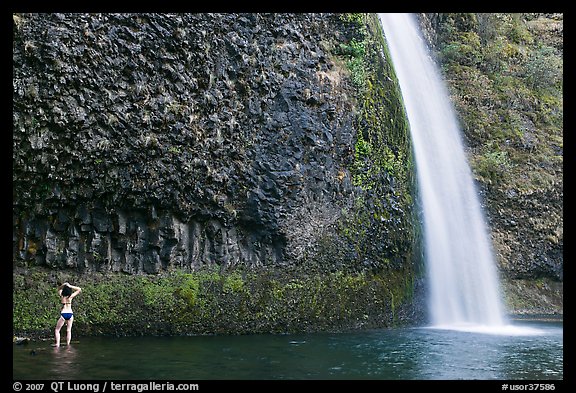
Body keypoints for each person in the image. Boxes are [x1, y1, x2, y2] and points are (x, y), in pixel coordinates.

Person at [54, 282, 82, 347]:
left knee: (57, 330)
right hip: (70, 314)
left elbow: (59, 289)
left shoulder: (62, 296)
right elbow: (79, 289)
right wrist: (70, 286)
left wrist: (63, 285)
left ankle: (57, 344)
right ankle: (68, 344)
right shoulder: (70, 297)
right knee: (69, 330)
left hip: (63, 314)